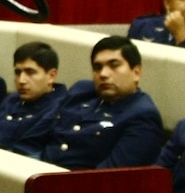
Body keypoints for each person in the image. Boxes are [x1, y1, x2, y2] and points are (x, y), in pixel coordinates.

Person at [38, 37, 167, 170]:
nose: (103, 74)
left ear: (136, 72)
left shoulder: (142, 115)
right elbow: (38, 135)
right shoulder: (81, 93)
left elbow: (108, 179)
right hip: (36, 172)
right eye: (97, 67)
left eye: (114, 65)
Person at [0, 40, 65, 155]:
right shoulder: (13, 99)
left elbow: (24, 152)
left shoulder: (58, 107)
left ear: (51, 76)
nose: (21, 80)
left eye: (30, 72)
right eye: (18, 72)